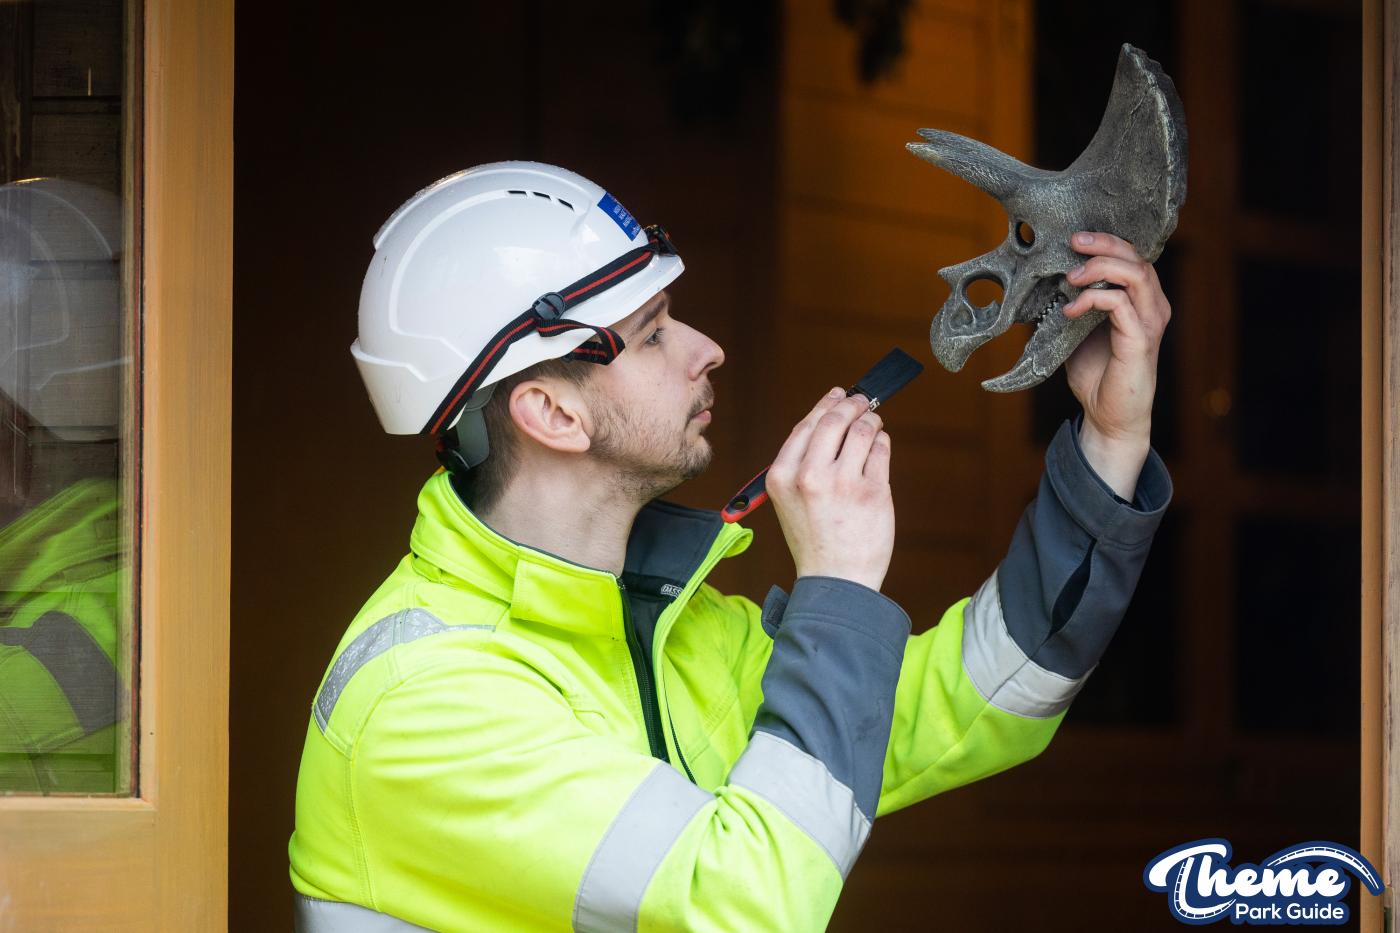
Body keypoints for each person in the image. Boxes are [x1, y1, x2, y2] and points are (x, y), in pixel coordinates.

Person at [289, 161, 1173, 932]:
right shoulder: (424, 701)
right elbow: (747, 908)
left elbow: (973, 703)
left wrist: (1110, 439)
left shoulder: (673, 631)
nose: (706, 348)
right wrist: (836, 583)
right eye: (653, 333)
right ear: (552, 413)